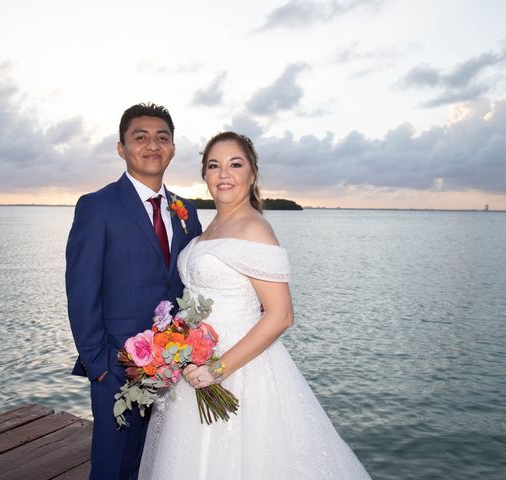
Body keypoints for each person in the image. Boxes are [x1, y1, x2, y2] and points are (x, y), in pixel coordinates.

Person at [139, 132, 372, 479]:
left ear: (252, 173)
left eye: (235, 164)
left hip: (238, 370)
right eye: (214, 166)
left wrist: (217, 369)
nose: (223, 174)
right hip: (193, 366)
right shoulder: (210, 228)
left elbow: (281, 315)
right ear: (204, 175)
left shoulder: (255, 228)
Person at [65, 103, 203, 480]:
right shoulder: (98, 206)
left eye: (162, 137)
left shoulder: (186, 210)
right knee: (115, 468)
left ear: (173, 148)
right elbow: (81, 292)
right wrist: (100, 368)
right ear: (121, 148)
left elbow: (192, 282)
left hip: (177, 368)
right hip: (117, 369)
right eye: (139, 137)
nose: (152, 145)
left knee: (163, 463)